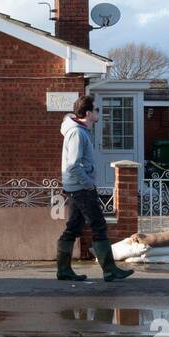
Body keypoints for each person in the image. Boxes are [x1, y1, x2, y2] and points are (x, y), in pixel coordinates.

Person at [56, 95, 133, 283]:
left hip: (77, 187)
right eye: (97, 110)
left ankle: (64, 270)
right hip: (81, 188)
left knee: (73, 227)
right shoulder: (77, 133)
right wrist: (88, 183)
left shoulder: (80, 130)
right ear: (88, 113)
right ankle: (109, 270)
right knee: (98, 224)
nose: (99, 113)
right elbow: (73, 165)